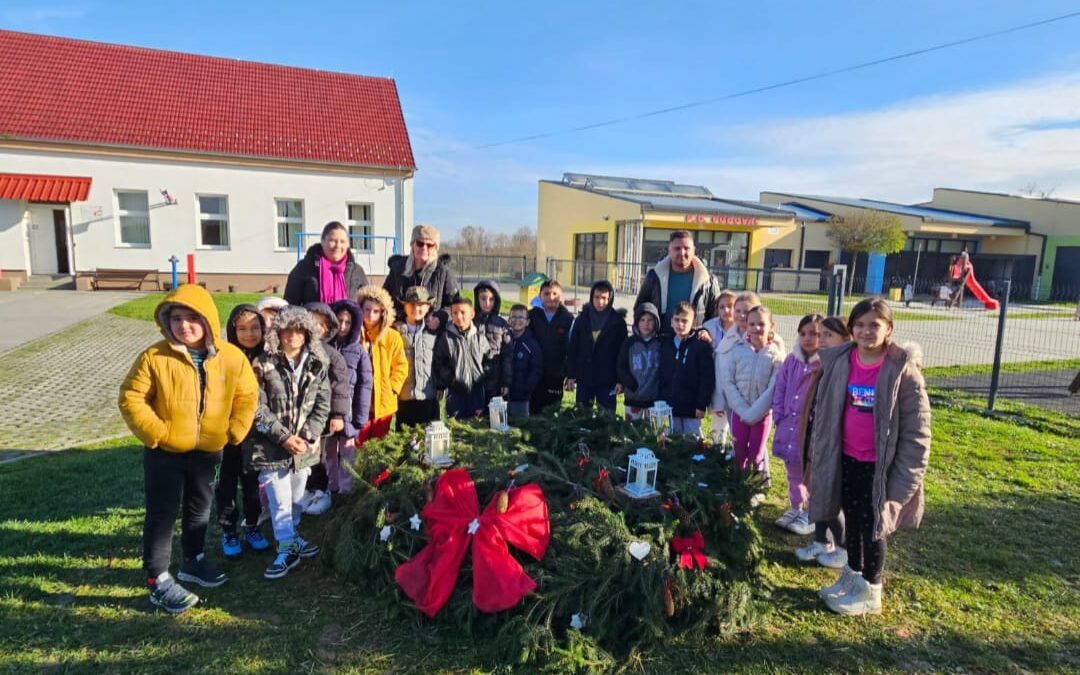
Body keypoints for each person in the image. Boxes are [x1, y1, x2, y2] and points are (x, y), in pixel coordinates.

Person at [119, 284, 258, 614]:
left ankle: (193, 560)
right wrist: (158, 433)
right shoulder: (154, 357)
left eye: (192, 318)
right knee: (162, 514)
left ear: (207, 319)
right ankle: (157, 578)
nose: (184, 325)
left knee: (200, 507)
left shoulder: (231, 357)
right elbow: (131, 397)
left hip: (209, 451)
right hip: (165, 452)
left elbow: (247, 395)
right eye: (177, 318)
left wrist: (234, 430)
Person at [809, 298, 931, 616]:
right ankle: (853, 575)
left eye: (874, 325)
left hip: (880, 467)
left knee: (873, 526)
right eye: (859, 325)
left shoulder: (903, 372)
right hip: (846, 458)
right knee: (851, 518)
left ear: (889, 328)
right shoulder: (841, 362)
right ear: (851, 328)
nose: (866, 331)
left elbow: (918, 434)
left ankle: (871, 590)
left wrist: (905, 480)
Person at [243, 307, 331, 580]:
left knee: (295, 497)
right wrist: (283, 437)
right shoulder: (262, 363)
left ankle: (292, 536)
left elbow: (323, 402)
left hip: (304, 447)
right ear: (278, 333)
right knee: (279, 500)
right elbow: (257, 407)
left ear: (307, 333)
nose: (293, 336)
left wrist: (309, 435)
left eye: (299, 330)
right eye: (287, 330)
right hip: (271, 446)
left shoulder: (318, 362)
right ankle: (286, 549)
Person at [216, 304, 272, 560]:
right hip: (227, 434)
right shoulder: (223, 358)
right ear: (232, 330)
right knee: (226, 484)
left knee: (252, 484)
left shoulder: (268, 358)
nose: (249, 334)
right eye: (242, 329)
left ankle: (252, 525)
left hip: (256, 433)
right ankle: (228, 530)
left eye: (254, 328)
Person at [795, 316, 852, 568]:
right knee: (816, 492)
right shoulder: (825, 365)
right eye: (820, 335)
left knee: (827, 496)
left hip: (831, 444)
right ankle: (821, 541)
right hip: (815, 439)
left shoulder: (844, 367)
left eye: (828, 335)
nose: (821, 340)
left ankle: (844, 547)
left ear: (845, 338)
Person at [770, 313, 823, 537]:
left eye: (814, 333)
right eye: (803, 333)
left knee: (810, 469)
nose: (808, 338)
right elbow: (780, 388)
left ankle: (812, 511)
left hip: (809, 429)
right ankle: (795, 507)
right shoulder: (791, 360)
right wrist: (778, 415)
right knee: (792, 468)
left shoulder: (825, 364)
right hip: (788, 424)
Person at [300, 303, 354, 515]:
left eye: (322, 324)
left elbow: (341, 386)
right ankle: (303, 489)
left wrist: (338, 414)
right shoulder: (295, 350)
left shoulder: (332, 355)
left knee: (320, 454)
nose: (316, 327)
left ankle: (321, 489)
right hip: (297, 415)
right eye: (312, 321)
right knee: (301, 453)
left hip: (321, 415)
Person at [722, 305, 785, 476]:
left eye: (761, 324)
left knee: (756, 454)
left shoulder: (776, 356)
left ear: (772, 326)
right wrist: (743, 410)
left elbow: (773, 388)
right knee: (739, 451)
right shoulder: (737, 350)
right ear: (746, 325)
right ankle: (737, 483)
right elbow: (728, 382)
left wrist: (755, 413)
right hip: (739, 414)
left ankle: (754, 485)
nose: (756, 328)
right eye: (752, 324)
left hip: (762, 416)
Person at [328, 299, 372, 493]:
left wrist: (360, 417)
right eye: (339, 321)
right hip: (327, 413)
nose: (343, 326)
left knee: (348, 452)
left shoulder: (358, 351)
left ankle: (347, 490)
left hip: (349, 413)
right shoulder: (324, 347)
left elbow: (365, 384)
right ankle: (332, 488)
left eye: (347, 322)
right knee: (329, 453)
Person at [634, 230, 720, 331]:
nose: (682, 253)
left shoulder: (708, 282)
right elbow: (640, 309)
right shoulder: (654, 277)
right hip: (660, 338)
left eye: (686, 248)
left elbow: (716, 317)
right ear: (669, 250)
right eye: (677, 248)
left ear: (693, 250)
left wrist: (707, 333)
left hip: (694, 339)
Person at [355, 285, 409, 441]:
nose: (370, 315)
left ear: (383, 312)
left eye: (376, 311)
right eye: (367, 309)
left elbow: (401, 365)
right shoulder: (354, 334)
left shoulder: (392, 336)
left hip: (384, 399)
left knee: (380, 444)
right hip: (360, 400)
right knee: (359, 443)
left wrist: (393, 388)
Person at [565, 280, 628, 411]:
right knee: (582, 415)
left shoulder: (618, 323)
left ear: (610, 299)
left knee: (606, 416)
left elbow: (622, 354)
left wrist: (620, 380)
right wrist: (571, 375)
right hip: (584, 377)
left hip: (608, 379)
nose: (600, 302)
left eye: (604, 298)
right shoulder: (582, 320)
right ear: (591, 297)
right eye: (597, 297)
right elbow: (573, 349)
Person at [434, 297, 498, 419]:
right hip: (455, 392)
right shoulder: (446, 338)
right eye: (455, 313)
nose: (459, 316)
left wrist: (481, 375)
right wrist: (451, 379)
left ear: (472, 314)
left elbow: (489, 360)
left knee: (476, 424)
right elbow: (439, 363)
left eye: (463, 312)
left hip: (476, 391)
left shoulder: (479, 338)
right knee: (455, 424)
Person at [383, 224, 459, 326]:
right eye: (420, 243)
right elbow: (384, 299)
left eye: (429, 245)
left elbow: (454, 305)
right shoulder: (397, 268)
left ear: (435, 248)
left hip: (432, 331)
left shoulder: (443, 273)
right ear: (412, 245)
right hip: (400, 328)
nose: (424, 248)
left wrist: (439, 318)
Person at [659, 301, 715, 436]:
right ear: (671, 322)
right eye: (677, 320)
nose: (680, 324)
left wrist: (701, 405)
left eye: (685, 321)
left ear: (694, 323)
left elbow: (707, 379)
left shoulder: (701, 346)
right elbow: (661, 374)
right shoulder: (665, 344)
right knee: (674, 439)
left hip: (692, 407)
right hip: (671, 405)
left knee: (693, 440)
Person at [284, 221, 370, 306]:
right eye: (333, 240)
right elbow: (290, 304)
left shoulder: (356, 271)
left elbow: (367, 305)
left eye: (342, 241)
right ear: (322, 241)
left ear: (347, 244)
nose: (338, 245)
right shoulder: (304, 268)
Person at [394, 287, 441, 428]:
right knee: (405, 437)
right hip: (404, 397)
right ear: (404, 306)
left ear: (428, 307)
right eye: (411, 304)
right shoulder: (396, 331)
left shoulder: (434, 332)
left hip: (428, 396)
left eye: (420, 305)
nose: (416, 309)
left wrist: (440, 386)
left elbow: (439, 362)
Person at [528, 280, 573, 413]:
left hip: (556, 373)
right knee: (534, 409)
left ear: (561, 296)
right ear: (540, 296)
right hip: (534, 371)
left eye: (555, 294)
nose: (551, 297)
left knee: (552, 409)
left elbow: (571, 348)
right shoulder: (531, 316)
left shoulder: (568, 318)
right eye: (546, 294)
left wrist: (570, 373)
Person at [616, 302, 662, 421]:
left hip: (653, 398)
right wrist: (631, 384)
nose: (646, 324)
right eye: (642, 320)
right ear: (636, 322)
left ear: (656, 322)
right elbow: (621, 366)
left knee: (652, 429)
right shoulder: (629, 343)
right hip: (634, 397)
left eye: (650, 320)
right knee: (631, 429)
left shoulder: (660, 344)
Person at [703, 289, 737, 446]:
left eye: (730, 306)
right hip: (717, 379)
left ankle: (736, 450)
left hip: (736, 380)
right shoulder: (709, 326)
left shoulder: (742, 328)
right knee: (719, 422)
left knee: (737, 424)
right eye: (722, 307)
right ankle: (718, 449)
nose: (726, 310)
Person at [474, 280, 512, 403]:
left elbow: (507, 356)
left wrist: (505, 382)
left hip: (495, 381)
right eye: (483, 299)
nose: (487, 303)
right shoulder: (470, 321)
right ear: (477, 299)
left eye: (491, 299)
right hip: (474, 380)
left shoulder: (502, 324)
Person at [506, 303, 543, 419]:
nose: (517, 320)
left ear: (527, 322)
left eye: (521, 317)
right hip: (503, 395)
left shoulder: (532, 345)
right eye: (514, 317)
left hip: (521, 397)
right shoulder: (503, 340)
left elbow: (536, 370)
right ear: (509, 320)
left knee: (520, 423)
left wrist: (526, 390)